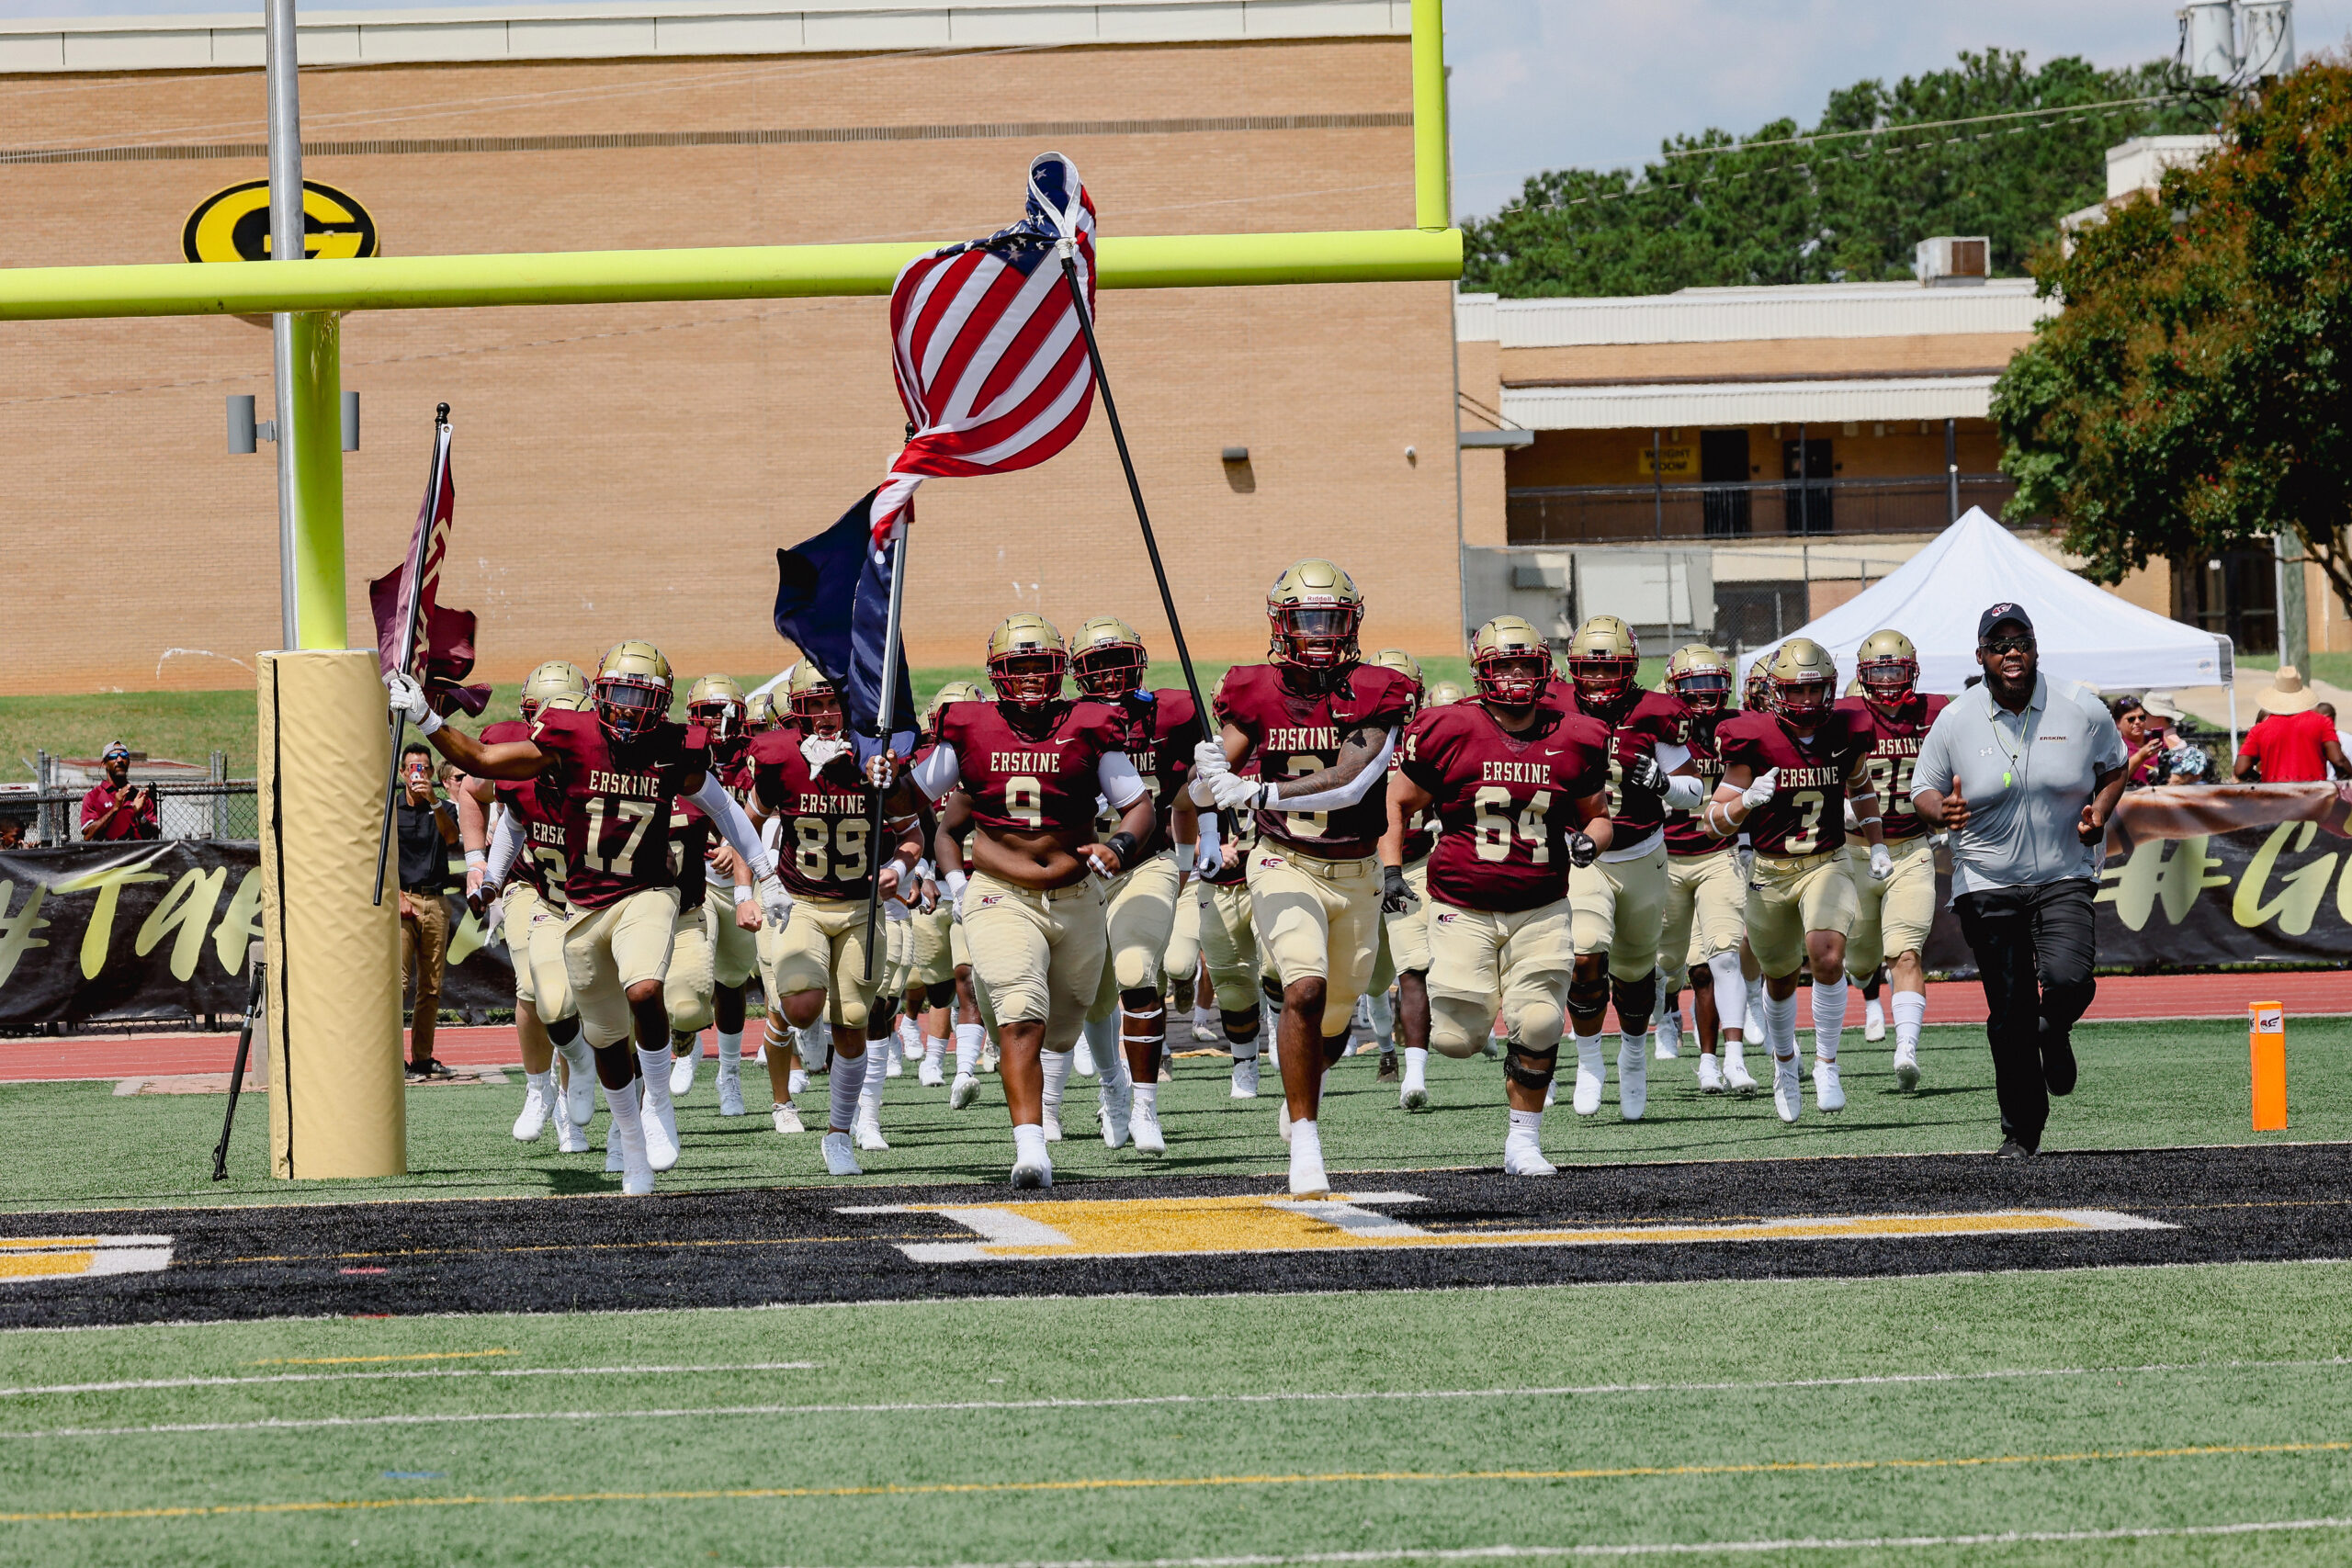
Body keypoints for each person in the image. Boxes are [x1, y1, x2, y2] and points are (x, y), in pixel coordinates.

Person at [389, 640, 786, 1195]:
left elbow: (722, 808)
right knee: (605, 1041)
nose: (626, 707)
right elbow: (480, 765)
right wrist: (427, 719)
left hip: (648, 890)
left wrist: (765, 874)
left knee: (646, 990)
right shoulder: (569, 738)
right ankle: (631, 1146)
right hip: (580, 905)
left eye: (638, 695)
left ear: (661, 701)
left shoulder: (673, 747)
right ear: (598, 696)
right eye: (618, 694)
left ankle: (659, 1107)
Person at [894, 615, 1154, 1189]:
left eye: (1042, 666)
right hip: (999, 892)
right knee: (1021, 1015)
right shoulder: (969, 727)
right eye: (1020, 667)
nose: (1033, 679)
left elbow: (1140, 806)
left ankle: (1000, 1005)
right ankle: (1031, 1147)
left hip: (1076, 894)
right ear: (996, 674)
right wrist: (884, 772)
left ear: (1060, 670)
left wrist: (1121, 845)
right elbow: (914, 796)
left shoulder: (1089, 723)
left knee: (1061, 1028)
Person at [1191, 559, 1417, 1195]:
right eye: (1306, 619)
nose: (1319, 632)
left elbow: (1353, 780)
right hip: (1283, 859)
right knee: (1305, 987)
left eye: (1330, 619)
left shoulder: (1379, 687)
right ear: (1281, 624)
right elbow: (1202, 794)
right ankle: (1307, 1141)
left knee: (1336, 1024)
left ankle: (1300, 1093)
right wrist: (1202, 773)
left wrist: (1253, 785)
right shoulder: (1254, 689)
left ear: (1351, 622)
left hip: (1357, 867)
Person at [1384, 616, 1611, 1175]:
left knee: (1537, 1022)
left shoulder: (1575, 733)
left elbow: (1600, 818)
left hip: (1542, 904)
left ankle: (1524, 1142)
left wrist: (1589, 843)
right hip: (1462, 905)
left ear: (1544, 669)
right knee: (1457, 1040)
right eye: (1503, 664)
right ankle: (1440, 1017)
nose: (1514, 675)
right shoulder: (1450, 726)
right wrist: (1392, 870)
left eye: (1524, 664)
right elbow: (1396, 802)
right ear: (1482, 671)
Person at [1911, 603, 2128, 1159]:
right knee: (2008, 1010)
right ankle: (2021, 1132)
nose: (2012, 652)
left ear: (2035, 648)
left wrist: (2100, 811)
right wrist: (1943, 812)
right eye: (1999, 644)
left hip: (2064, 871)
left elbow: (2115, 766)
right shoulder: (1956, 719)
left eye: (2021, 641)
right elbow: (1924, 790)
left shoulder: (2081, 707)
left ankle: (2053, 1030)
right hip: (1986, 879)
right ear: (1981, 654)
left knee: (2070, 980)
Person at [749, 662, 925, 1173]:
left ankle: (840, 1132)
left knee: (852, 1022)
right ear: (796, 708)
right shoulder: (780, 757)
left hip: (860, 905)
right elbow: (746, 821)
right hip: (801, 900)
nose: (826, 715)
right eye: (815, 704)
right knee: (802, 1006)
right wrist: (751, 884)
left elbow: (913, 833)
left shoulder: (879, 762)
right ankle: (791, 1085)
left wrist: (899, 866)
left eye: (835, 704)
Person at [1705, 638, 1885, 1122]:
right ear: (1775, 691)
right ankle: (1785, 1062)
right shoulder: (1752, 740)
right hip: (1769, 870)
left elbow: (1861, 787)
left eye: (1815, 691)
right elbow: (1712, 821)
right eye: (1795, 691)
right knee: (1780, 976)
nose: (1806, 702)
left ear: (1830, 689)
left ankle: (1827, 1061)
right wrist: (1746, 801)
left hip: (1827, 860)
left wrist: (1879, 841)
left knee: (1827, 955)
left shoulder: (1846, 731)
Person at [1553, 615, 1709, 1122]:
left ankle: (1635, 1056)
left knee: (1637, 970)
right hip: (1586, 857)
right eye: (1588, 671)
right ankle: (1590, 1060)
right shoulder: (1552, 706)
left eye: (1609, 670)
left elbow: (1695, 792)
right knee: (1584, 955)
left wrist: (1663, 782)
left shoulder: (1656, 712)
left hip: (1643, 853)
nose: (1597, 681)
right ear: (1572, 669)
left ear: (1631, 668)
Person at [1069, 614, 1204, 1155]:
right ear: (1077, 673)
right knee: (1090, 998)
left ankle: (1146, 1106)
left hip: (1146, 861)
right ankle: (1112, 1089)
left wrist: (1196, 849)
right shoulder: (1065, 722)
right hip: (1079, 870)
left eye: (1116, 660)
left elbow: (1193, 793)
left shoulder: (1173, 713)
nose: (1108, 674)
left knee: (1134, 971)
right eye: (1095, 665)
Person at [459, 660, 595, 1147]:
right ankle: (541, 1091)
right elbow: (472, 790)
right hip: (530, 883)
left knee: (574, 997)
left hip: (589, 893)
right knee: (534, 989)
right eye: (544, 715)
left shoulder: (604, 759)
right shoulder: (513, 746)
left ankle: (576, 1089)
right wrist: (478, 862)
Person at [1838, 628, 1949, 1092]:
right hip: (1852, 851)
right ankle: (1863, 985)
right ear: (1863, 676)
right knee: (1861, 961)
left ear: (1912, 671)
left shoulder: (1937, 712)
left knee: (1905, 952)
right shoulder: (1844, 716)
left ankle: (1906, 1048)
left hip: (1910, 848)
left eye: (1895, 670)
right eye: (1878, 671)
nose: (1887, 681)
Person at [1655, 644, 1748, 1094]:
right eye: (1693, 686)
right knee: (1669, 966)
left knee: (1720, 960)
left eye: (1712, 685)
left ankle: (1724, 1060)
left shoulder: (1737, 727)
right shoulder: (1658, 726)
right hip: (1667, 857)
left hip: (1719, 853)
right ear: (1674, 688)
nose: (1704, 695)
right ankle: (1666, 1012)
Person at [394, 741, 461, 1079]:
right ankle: (393, 1059)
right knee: (398, 983)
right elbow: (381, 860)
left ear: (432, 773)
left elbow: (451, 839)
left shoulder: (444, 809)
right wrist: (399, 897)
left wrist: (433, 801)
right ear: (403, 772)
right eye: (412, 768)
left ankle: (422, 1057)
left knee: (431, 987)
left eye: (423, 768)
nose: (417, 774)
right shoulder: (391, 811)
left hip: (436, 901)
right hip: (402, 900)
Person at [2233, 666, 2347, 783]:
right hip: (2315, 796)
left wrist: (2260, 780)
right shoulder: (2322, 723)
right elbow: (2339, 761)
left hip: (2275, 796)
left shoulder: (2259, 730)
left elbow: (2240, 770)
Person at [79, 740, 158, 842]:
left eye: (124, 755)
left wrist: (140, 815)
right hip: (106, 856)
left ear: (128, 762)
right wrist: (115, 809)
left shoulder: (139, 797)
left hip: (138, 856)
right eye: (113, 756)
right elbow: (88, 836)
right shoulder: (93, 797)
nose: (120, 759)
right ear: (104, 764)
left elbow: (154, 835)